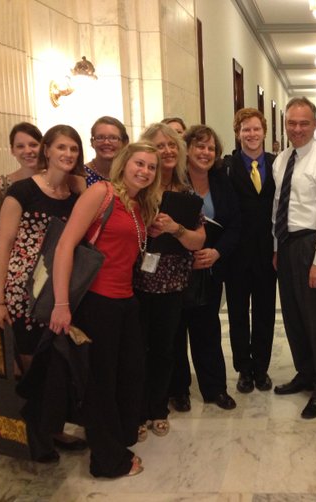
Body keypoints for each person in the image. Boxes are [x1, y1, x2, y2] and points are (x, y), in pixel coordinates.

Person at [49, 141, 161, 477]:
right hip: (97, 301)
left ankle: (121, 437)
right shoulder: (102, 193)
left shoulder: (140, 204)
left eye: (151, 167)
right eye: (139, 164)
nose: (144, 171)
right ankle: (108, 461)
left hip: (125, 300)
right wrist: (61, 303)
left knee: (130, 374)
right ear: (125, 163)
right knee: (100, 383)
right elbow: (65, 245)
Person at [0, 124, 87, 461]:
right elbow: (2, 246)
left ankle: (53, 428)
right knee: (31, 367)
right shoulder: (22, 191)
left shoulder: (74, 194)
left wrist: (79, 182)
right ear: (47, 150)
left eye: (73, 149)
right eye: (61, 147)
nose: (68, 154)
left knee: (55, 366)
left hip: (57, 290)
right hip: (23, 291)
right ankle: (35, 437)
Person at [272, 97, 316, 419]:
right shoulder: (281, 159)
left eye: (304, 123)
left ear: (315, 124)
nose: (297, 129)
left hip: (312, 244)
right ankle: (306, 373)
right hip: (287, 245)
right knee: (294, 316)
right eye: (292, 123)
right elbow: (278, 205)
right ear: (285, 124)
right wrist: (276, 246)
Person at [134, 123, 206, 439]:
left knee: (165, 349)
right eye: (160, 146)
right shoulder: (136, 190)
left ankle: (158, 408)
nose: (167, 151)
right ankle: (136, 411)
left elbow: (197, 241)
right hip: (134, 281)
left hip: (172, 282)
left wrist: (175, 228)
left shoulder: (187, 195)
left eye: (172, 146)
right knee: (136, 350)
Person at [169, 125, 241, 410]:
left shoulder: (222, 181)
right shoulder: (173, 182)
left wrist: (217, 252)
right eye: (199, 146)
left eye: (211, 148)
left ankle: (214, 389)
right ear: (187, 149)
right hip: (175, 268)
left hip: (209, 267)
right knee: (176, 331)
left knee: (208, 329)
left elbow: (235, 224)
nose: (205, 152)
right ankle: (179, 390)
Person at [224, 108, 277, 394]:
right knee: (237, 313)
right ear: (238, 133)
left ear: (264, 131)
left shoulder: (276, 164)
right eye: (246, 129)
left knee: (265, 312)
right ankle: (244, 368)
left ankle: (262, 368)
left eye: (256, 129)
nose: (251, 134)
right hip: (236, 254)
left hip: (267, 253)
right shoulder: (227, 166)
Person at [0, 122, 43, 274]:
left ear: (43, 146)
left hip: (50, 272)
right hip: (10, 276)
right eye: (20, 146)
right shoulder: (0, 187)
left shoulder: (56, 183)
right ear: (12, 150)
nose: (28, 151)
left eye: (33, 144)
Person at [84, 116, 129, 186]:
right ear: (92, 142)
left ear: (125, 143)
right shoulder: (81, 175)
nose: (106, 142)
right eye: (100, 137)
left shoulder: (130, 174)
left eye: (113, 138)